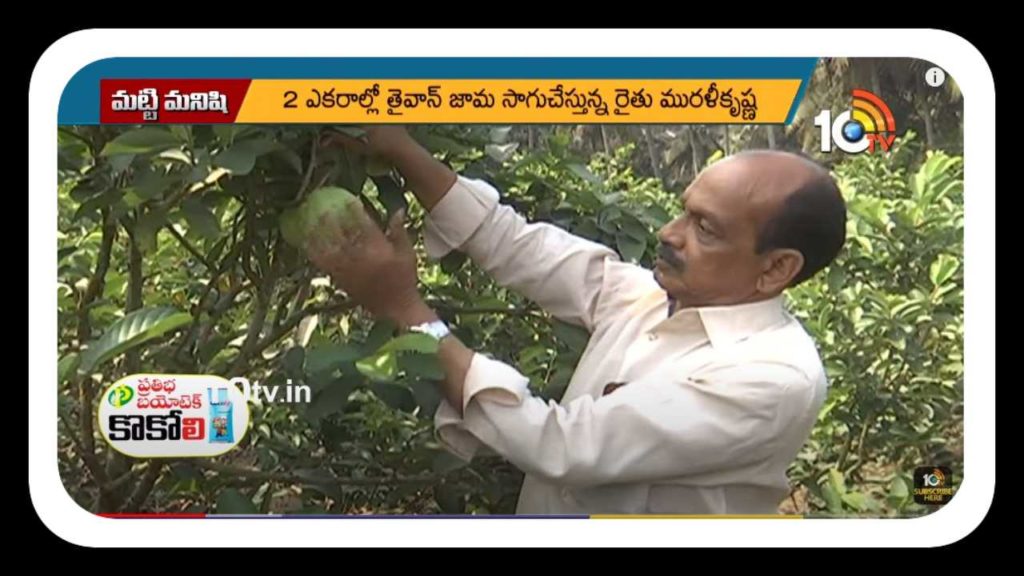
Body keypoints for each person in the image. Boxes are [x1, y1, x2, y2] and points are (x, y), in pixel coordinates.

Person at [307, 126, 847, 515]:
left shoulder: (770, 377)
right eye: (683, 210)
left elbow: (562, 447)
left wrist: (403, 307)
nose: (669, 232)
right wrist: (399, 146)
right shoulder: (655, 298)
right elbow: (512, 242)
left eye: (705, 228)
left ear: (776, 268)